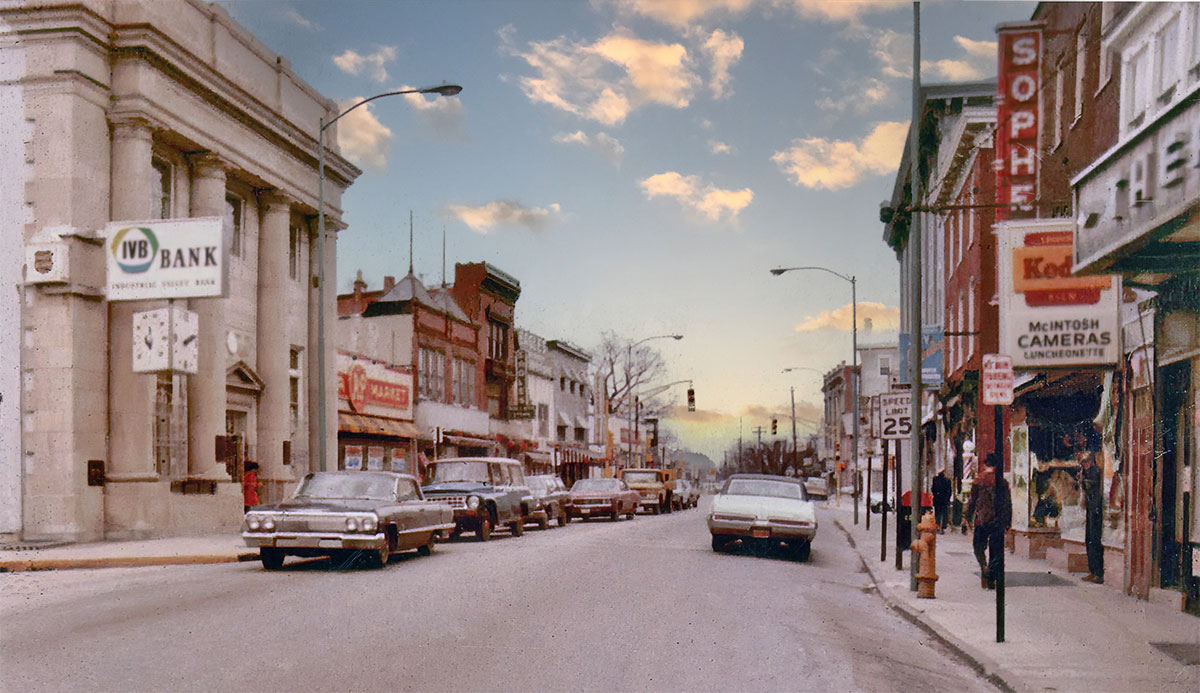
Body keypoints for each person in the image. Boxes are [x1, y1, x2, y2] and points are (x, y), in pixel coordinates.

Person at [967, 453, 1011, 589]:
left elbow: (972, 501)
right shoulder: (1002, 482)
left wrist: (968, 516)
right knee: (996, 550)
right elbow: (1007, 503)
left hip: (981, 519)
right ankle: (991, 577)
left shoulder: (978, 480)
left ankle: (983, 567)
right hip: (997, 520)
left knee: (978, 546)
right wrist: (1008, 521)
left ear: (985, 464)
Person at [1078, 435, 1105, 584]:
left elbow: (1089, 486)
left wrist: (1082, 478)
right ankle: (1092, 570)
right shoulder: (1088, 471)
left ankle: (1097, 572)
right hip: (1091, 509)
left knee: (1094, 540)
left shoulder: (1094, 471)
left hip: (1095, 509)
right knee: (1089, 539)